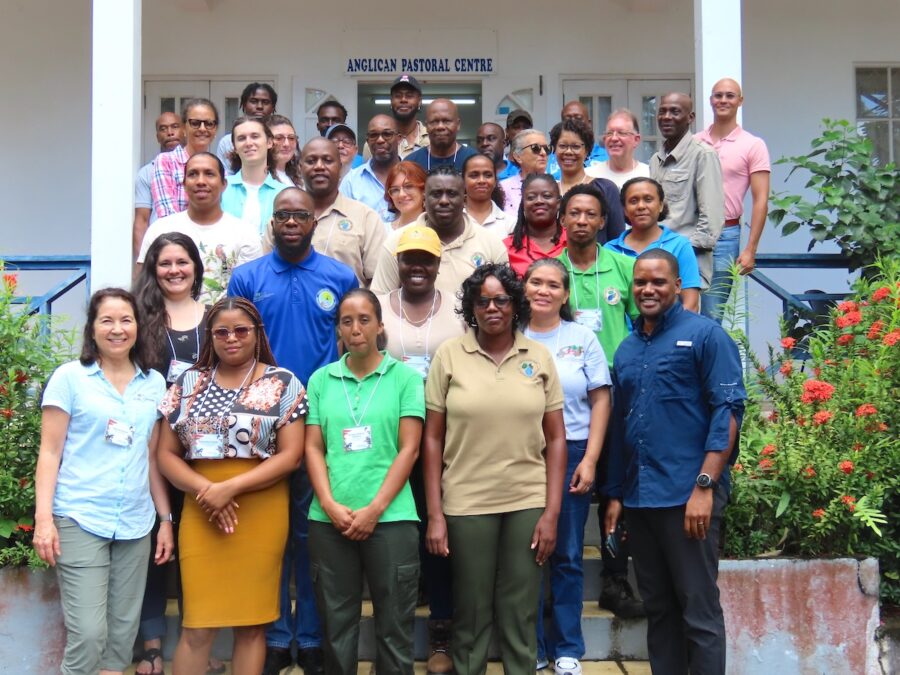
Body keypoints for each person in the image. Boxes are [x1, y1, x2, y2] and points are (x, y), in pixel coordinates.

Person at [228, 187, 358, 675]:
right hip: (261, 422)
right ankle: (276, 635)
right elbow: (231, 344)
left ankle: (311, 636)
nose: (290, 223)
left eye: (299, 215)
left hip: (320, 420)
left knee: (313, 533)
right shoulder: (247, 277)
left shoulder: (339, 276)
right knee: (269, 534)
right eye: (282, 215)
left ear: (313, 222)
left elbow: (353, 341)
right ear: (272, 222)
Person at [604, 249, 746, 674]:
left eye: (658, 281)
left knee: (698, 610)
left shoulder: (706, 336)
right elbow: (619, 426)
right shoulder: (627, 349)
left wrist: (705, 486)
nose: (648, 289)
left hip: (689, 497)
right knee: (659, 609)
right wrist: (616, 495)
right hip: (641, 499)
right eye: (640, 282)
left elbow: (728, 411)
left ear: (678, 285)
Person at [423, 263, 566, 675]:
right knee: (471, 607)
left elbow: (557, 439)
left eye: (501, 300)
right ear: (471, 307)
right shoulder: (450, 355)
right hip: (466, 500)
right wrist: (435, 514)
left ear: (515, 304)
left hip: (527, 499)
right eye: (482, 301)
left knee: (521, 608)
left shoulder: (538, 357)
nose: (492, 308)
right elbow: (432, 439)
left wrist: (552, 513)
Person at [156, 296, 307, 675]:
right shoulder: (188, 382)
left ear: (257, 333)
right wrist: (208, 491)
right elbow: (166, 455)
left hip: (260, 511)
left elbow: (291, 456)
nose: (231, 338)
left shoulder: (283, 382)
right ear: (210, 336)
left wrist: (231, 488)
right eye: (221, 332)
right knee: (197, 626)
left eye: (241, 330)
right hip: (201, 507)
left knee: (252, 625)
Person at [33, 288, 171, 675]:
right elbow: (50, 453)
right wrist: (43, 520)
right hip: (80, 516)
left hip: (135, 521)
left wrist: (165, 519)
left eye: (126, 320)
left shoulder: (153, 383)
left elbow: (150, 457)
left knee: (121, 638)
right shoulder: (69, 378)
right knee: (90, 636)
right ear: (92, 328)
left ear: (138, 327)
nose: (117, 329)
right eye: (106, 320)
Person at [305, 289, 425, 674]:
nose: (355, 329)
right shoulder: (321, 380)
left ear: (380, 326)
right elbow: (313, 448)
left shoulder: (405, 378)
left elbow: (409, 450)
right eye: (346, 321)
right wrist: (328, 503)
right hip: (330, 519)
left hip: (391, 518)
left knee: (395, 626)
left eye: (364, 320)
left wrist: (374, 509)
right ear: (338, 329)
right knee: (336, 628)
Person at [375, 226, 464, 675]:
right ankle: (391, 635)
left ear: (437, 264)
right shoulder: (376, 307)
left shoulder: (459, 308)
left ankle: (441, 634)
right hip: (387, 442)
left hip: (446, 441)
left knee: (438, 534)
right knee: (397, 538)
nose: (416, 266)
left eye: (425, 259)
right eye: (409, 258)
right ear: (398, 262)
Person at [554, 184, 645, 620]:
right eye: (574, 213)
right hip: (564, 393)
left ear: (603, 221)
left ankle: (614, 578)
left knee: (615, 486)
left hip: (615, 390)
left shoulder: (624, 267)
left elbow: (643, 322)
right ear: (562, 220)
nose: (582, 220)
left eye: (591, 213)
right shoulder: (551, 271)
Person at [523, 259, 611, 675]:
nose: (543, 290)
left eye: (553, 285)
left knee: (568, 553)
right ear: (524, 288)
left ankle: (568, 647)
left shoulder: (583, 337)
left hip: (573, 451)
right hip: (520, 455)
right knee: (523, 554)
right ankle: (530, 647)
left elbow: (601, 399)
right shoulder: (510, 334)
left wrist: (591, 459)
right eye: (536, 282)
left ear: (565, 293)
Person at [131, 233, 207, 675]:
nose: (174, 270)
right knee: (155, 546)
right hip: (149, 444)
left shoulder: (215, 317)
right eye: (165, 263)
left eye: (182, 261)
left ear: (196, 266)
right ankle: (153, 644)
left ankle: (201, 642)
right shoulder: (140, 319)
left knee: (198, 549)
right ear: (153, 269)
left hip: (202, 449)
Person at [138, 152, 262, 302]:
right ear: (184, 184)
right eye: (193, 174)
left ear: (224, 184)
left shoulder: (245, 233)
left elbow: (251, 291)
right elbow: (143, 287)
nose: (201, 181)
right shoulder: (160, 229)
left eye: (209, 174)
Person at [695, 78, 771, 322]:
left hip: (725, 235)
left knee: (712, 313)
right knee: (681, 308)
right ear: (710, 100)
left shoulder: (753, 145)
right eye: (718, 95)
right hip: (691, 231)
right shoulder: (694, 142)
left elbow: (761, 200)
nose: (723, 100)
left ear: (740, 101)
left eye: (730, 95)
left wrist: (751, 249)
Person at [371, 166, 509, 297]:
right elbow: (381, 301)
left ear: (464, 200)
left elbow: (504, 300)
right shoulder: (397, 242)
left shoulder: (491, 243)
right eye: (436, 194)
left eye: (452, 194)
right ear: (424, 199)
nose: (444, 201)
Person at [649, 92, 725, 291]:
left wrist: (683, 251)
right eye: (662, 111)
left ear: (690, 118)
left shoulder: (703, 155)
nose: (666, 117)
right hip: (656, 257)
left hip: (687, 259)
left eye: (675, 112)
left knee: (688, 311)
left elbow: (712, 218)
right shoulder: (656, 159)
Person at [291, 137, 386, 285]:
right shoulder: (284, 217)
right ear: (300, 167)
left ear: (340, 167)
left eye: (328, 160)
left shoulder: (366, 218)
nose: (319, 166)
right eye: (311, 161)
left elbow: (378, 283)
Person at [606, 177, 701, 312]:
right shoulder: (609, 250)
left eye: (648, 199)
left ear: (661, 205)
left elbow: (691, 304)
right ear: (625, 209)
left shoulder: (680, 246)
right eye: (633, 201)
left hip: (669, 325)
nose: (641, 206)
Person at [549, 118, 625, 241]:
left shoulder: (606, 189)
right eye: (562, 146)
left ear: (587, 151)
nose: (568, 152)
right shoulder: (547, 192)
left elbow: (617, 239)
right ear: (554, 149)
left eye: (576, 146)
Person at [152, 98, 220, 219]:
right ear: (183, 127)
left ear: (215, 129)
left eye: (209, 123)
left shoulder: (218, 167)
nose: (202, 128)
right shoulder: (167, 161)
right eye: (195, 123)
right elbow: (167, 215)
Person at [221, 116, 287, 236]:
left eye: (255, 136)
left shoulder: (284, 193)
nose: (248, 143)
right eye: (241, 138)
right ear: (235, 147)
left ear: (269, 142)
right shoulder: (220, 189)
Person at [133, 112, 183, 261]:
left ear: (184, 130)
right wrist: (142, 262)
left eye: (175, 126)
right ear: (157, 137)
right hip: (159, 248)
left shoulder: (197, 167)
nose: (170, 132)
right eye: (163, 128)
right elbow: (142, 220)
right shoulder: (147, 172)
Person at [504, 174, 567, 277]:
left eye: (546, 196)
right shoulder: (506, 248)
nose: (539, 201)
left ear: (558, 203)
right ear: (523, 204)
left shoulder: (573, 241)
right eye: (531, 197)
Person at [340, 114, 401, 221]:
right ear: (368, 141)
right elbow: (341, 222)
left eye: (387, 134)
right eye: (373, 135)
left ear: (399, 139)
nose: (380, 140)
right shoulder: (351, 181)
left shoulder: (413, 175)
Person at [216, 83, 278, 174]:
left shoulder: (283, 139)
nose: (259, 106)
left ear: (273, 107)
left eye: (265, 102)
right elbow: (225, 176)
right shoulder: (227, 142)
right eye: (253, 101)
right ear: (244, 105)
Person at [363, 74, 429, 160]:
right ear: (391, 101)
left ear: (419, 101)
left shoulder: (431, 139)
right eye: (398, 96)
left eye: (409, 95)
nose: (403, 100)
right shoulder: (375, 141)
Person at [405, 99, 478, 173]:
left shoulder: (475, 161)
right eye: (434, 121)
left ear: (458, 124)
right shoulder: (411, 163)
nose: (440, 127)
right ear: (426, 126)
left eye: (446, 121)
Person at [586, 109, 650, 188]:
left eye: (621, 133)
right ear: (604, 139)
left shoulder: (649, 175)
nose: (614, 138)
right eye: (609, 133)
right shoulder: (590, 176)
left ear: (636, 140)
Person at [546, 101, 609, 179]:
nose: (573, 123)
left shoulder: (606, 157)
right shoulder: (547, 160)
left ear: (589, 124)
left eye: (578, 119)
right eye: (568, 120)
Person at [500, 129, 551, 217]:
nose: (543, 153)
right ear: (518, 156)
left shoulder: (557, 186)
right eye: (536, 148)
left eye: (546, 149)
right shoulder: (503, 189)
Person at [462, 152, 511, 237]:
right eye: (474, 175)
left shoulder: (510, 224)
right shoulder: (452, 221)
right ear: (463, 181)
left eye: (488, 175)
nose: (481, 180)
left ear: (495, 181)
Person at [383, 160, 427, 230]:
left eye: (408, 186)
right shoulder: (383, 231)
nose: (401, 194)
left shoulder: (438, 229)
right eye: (395, 190)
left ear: (423, 190)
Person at [267, 114, 302, 186]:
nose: (287, 144)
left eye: (291, 138)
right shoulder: (260, 177)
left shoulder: (300, 176)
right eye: (279, 138)